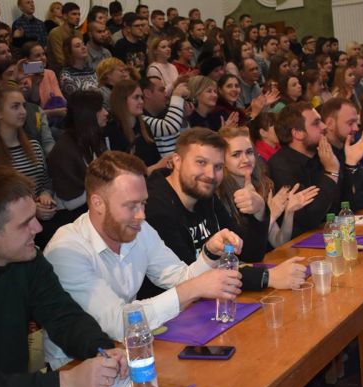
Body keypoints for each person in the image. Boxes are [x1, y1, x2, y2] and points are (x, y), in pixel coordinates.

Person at [0, 165, 129, 387]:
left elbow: (63, 316)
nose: (38, 228)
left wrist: (102, 348)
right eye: (25, 223)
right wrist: (63, 382)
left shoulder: (25, 258)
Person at [43, 150, 244, 367]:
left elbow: (179, 277)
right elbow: (117, 323)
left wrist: (210, 253)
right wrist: (193, 288)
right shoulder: (66, 250)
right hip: (76, 366)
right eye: (131, 206)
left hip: (127, 351)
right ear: (98, 203)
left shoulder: (139, 229)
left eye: (143, 203)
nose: (141, 215)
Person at [146, 127, 305, 296]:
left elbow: (249, 253)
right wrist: (267, 277)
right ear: (177, 161)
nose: (211, 174)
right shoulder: (154, 207)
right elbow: (192, 279)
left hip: (209, 300)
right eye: (201, 162)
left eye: (218, 166)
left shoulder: (204, 195)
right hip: (175, 308)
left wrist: (259, 211)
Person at [268, 102, 363, 237]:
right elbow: (309, 219)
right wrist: (331, 173)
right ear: (297, 133)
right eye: (316, 123)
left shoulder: (322, 155)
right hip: (300, 243)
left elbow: (347, 204)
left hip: (332, 234)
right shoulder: (280, 166)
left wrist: (350, 164)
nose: (324, 126)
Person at [219, 127, 318, 248]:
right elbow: (242, 250)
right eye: (236, 154)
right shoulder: (219, 196)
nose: (245, 159)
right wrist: (270, 216)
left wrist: (289, 212)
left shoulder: (261, 185)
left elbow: (279, 242)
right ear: (221, 160)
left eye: (249, 152)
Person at [0, 85, 56, 222]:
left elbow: (46, 182)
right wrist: (31, 208)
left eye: (23, 106)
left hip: (41, 218)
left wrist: (45, 195)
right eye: (15, 106)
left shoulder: (34, 146)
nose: (23, 111)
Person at [48, 91, 108, 221]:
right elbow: (71, 202)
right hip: (69, 217)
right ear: (87, 114)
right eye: (100, 109)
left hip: (90, 208)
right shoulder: (63, 151)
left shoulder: (93, 137)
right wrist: (106, 184)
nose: (106, 112)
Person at [104, 79, 172, 174]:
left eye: (141, 97)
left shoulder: (144, 126)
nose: (141, 101)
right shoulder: (112, 130)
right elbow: (120, 173)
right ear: (122, 101)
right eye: (136, 97)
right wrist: (154, 168)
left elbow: (155, 158)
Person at [46, 2, 82, 71]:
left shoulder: (79, 34)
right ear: (65, 16)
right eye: (74, 14)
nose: (78, 17)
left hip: (77, 69)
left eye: (79, 14)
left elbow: (81, 55)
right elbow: (60, 60)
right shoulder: (55, 33)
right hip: (58, 72)